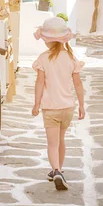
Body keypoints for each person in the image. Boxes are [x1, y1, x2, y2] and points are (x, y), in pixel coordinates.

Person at [31, 17, 85, 191]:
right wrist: (82, 105)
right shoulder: (70, 57)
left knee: (52, 144)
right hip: (67, 108)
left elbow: (39, 83)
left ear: (47, 40)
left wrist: (36, 104)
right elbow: (78, 84)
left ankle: (56, 170)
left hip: (51, 109)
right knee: (61, 140)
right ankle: (59, 170)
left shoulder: (43, 59)